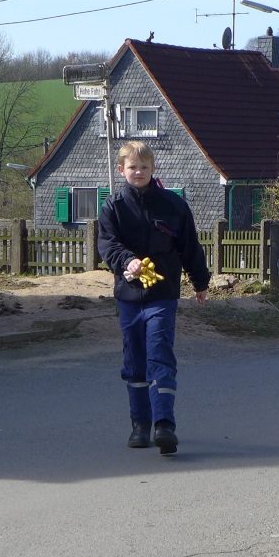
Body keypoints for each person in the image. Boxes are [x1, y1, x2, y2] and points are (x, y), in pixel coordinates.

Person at [97, 141, 210, 455]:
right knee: (135, 360)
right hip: (129, 296)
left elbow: (190, 246)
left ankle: (164, 425)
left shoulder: (173, 205)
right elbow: (107, 244)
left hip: (163, 294)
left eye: (144, 167)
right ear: (122, 170)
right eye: (133, 167)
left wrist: (200, 281)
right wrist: (127, 261)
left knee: (159, 355)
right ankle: (140, 426)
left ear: (153, 169)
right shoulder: (113, 207)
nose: (139, 172)